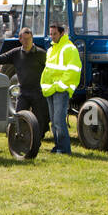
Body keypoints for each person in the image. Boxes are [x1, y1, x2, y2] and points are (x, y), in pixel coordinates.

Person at [0, 27, 47, 124]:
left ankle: (37, 137)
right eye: (25, 39)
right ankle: (19, 136)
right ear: (20, 40)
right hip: (23, 91)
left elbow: (51, 69)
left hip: (38, 92)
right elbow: (0, 59)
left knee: (40, 119)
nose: (27, 41)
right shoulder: (16, 53)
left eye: (29, 39)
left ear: (32, 38)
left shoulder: (41, 54)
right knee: (18, 117)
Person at [40, 23, 81, 154]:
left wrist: (60, 86)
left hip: (60, 90)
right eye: (50, 34)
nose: (52, 37)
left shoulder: (70, 48)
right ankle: (57, 146)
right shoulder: (51, 49)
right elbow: (48, 70)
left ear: (62, 33)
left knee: (59, 120)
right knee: (54, 121)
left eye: (54, 34)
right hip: (51, 89)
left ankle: (64, 148)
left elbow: (73, 70)